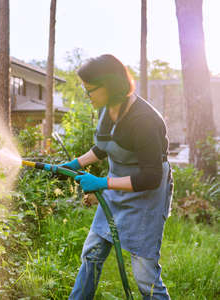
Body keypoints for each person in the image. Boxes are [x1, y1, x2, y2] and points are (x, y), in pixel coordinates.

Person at [63, 54, 173, 299]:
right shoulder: (106, 110)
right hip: (117, 185)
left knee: (145, 276)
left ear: (110, 87)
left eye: (90, 90)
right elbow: (104, 147)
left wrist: (102, 184)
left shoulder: (144, 120)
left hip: (146, 195)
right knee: (91, 254)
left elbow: (150, 177)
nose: (87, 95)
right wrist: (75, 164)